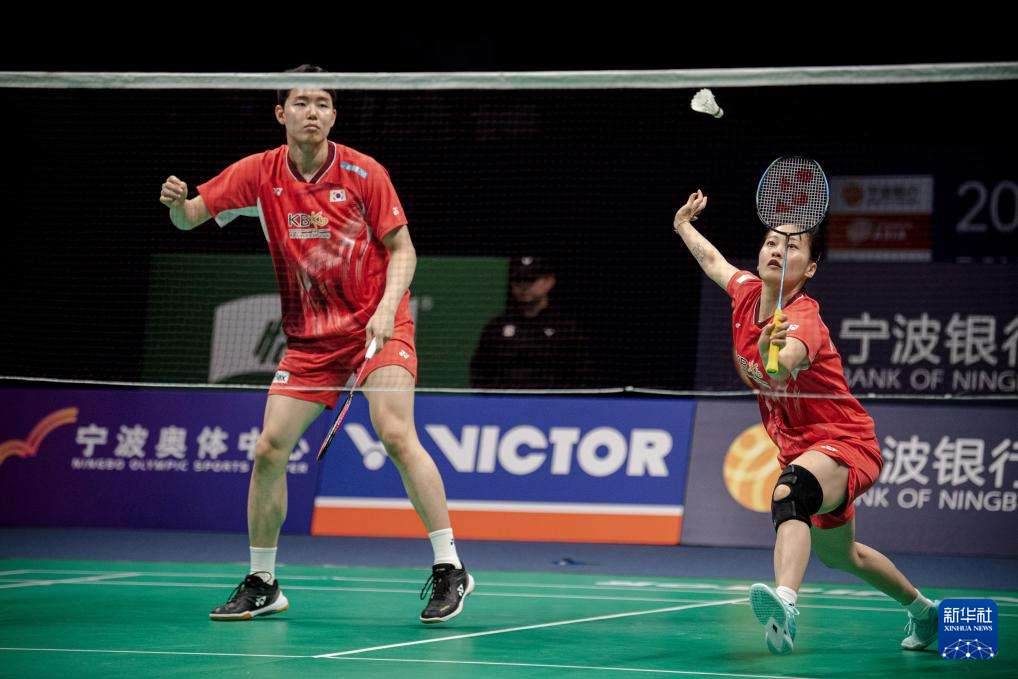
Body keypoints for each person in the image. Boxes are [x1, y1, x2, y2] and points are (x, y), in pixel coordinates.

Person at [159, 65, 472, 624]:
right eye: (302, 103)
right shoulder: (258, 173)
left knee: (395, 433)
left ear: (334, 114)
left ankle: (450, 566)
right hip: (310, 341)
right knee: (268, 449)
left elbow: (403, 250)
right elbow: (190, 219)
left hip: (378, 326)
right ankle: (263, 580)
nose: (313, 112)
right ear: (281, 113)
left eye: (323, 103)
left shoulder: (364, 172)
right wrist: (178, 206)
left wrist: (385, 309)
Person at [672, 189, 938, 655]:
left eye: (792, 246)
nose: (778, 249)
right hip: (801, 448)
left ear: (810, 269)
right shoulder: (746, 294)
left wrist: (771, 350)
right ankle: (927, 614)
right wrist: (683, 226)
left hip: (846, 443)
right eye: (771, 242)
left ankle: (787, 606)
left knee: (788, 492)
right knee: (845, 557)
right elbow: (714, 263)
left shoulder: (803, 317)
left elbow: (782, 368)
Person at [470, 256, 591, 389]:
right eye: (518, 280)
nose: (523, 286)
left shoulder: (565, 329)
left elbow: (580, 373)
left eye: (530, 280)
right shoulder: (496, 327)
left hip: (551, 400)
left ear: (549, 282)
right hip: (505, 399)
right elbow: (480, 369)